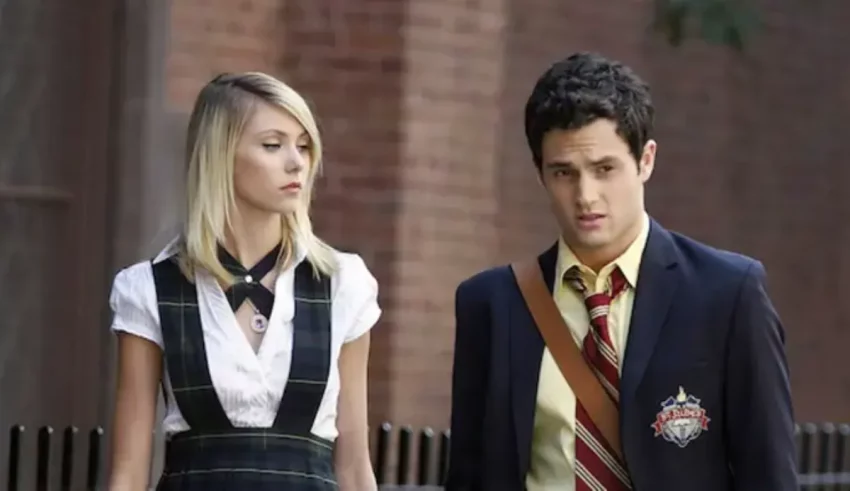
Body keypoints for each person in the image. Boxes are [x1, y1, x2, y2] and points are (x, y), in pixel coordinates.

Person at [445, 52, 797, 491]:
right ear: (540, 174)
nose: (586, 195)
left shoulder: (726, 294)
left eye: (604, 169)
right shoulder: (492, 304)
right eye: (563, 173)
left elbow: (768, 474)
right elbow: (469, 477)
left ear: (645, 160)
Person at [107, 72, 380, 491]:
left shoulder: (343, 283)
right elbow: (127, 474)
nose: (297, 162)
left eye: (304, 146)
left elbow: (356, 469)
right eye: (273, 145)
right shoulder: (149, 289)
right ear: (220, 154)